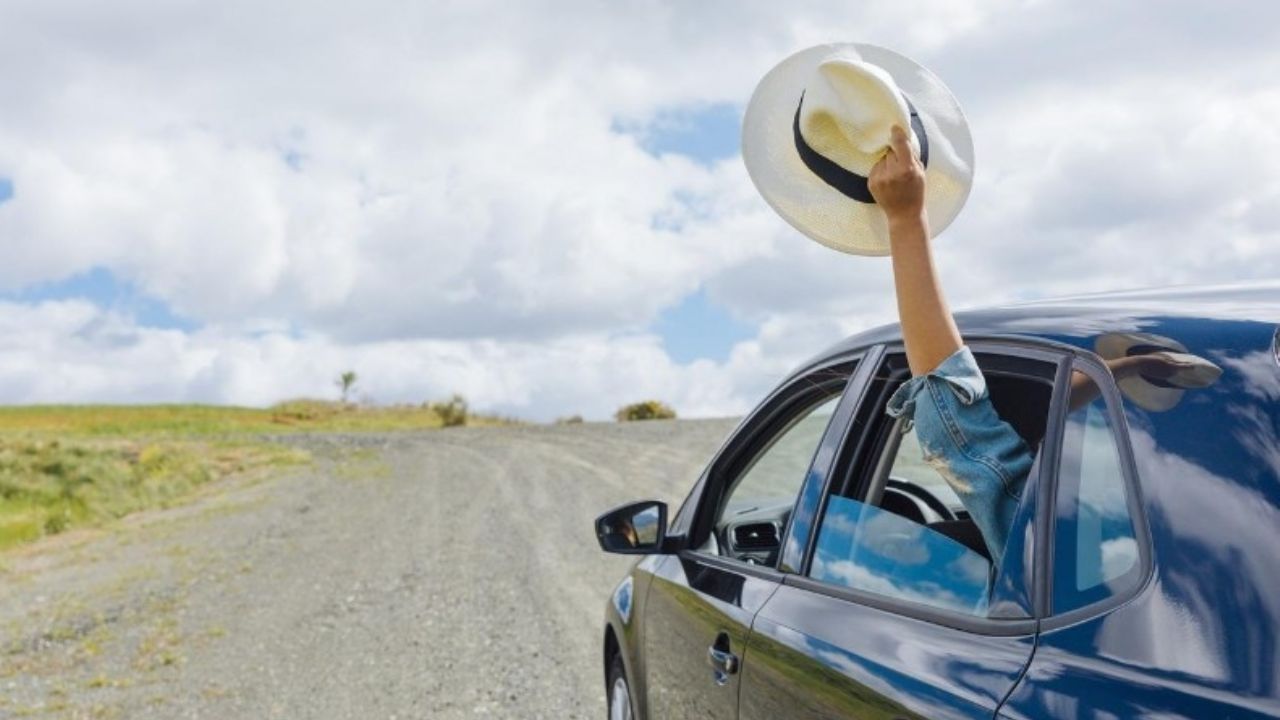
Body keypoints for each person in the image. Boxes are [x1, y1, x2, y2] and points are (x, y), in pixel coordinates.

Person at [866, 125, 1193, 562]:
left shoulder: (1054, 547)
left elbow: (955, 423)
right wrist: (1122, 368)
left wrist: (905, 220)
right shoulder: (1184, 527)